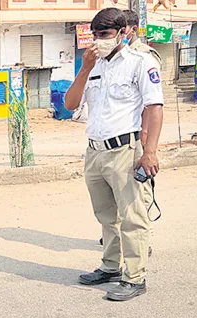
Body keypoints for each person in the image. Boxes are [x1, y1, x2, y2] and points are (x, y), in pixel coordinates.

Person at [64, 8, 164, 301]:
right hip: (95, 152)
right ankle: (110, 267)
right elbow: (70, 104)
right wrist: (84, 69)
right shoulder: (92, 66)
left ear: (123, 33)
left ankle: (135, 278)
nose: (98, 41)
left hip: (124, 150)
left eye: (105, 35)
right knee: (106, 216)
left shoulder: (140, 63)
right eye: (95, 35)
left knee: (133, 216)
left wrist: (150, 153)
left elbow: (154, 108)